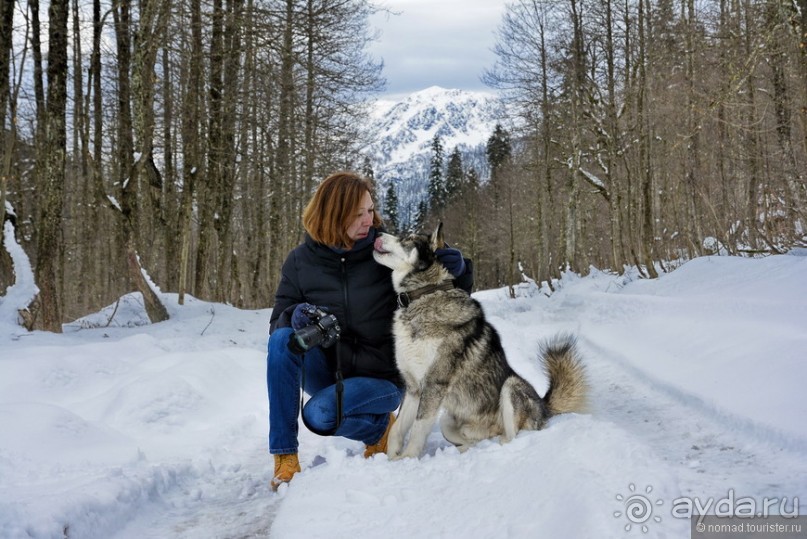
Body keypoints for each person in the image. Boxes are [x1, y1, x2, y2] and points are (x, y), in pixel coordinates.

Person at [266, 171, 473, 491]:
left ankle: (379, 431)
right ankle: (284, 458)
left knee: (320, 416)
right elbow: (277, 321)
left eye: (371, 210)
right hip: (329, 368)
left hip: (381, 376)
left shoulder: (387, 252)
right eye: (358, 213)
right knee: (281, 341)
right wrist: (296, 315)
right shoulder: (299, 262)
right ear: (334, 216)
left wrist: (457, 271)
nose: (369, 219)